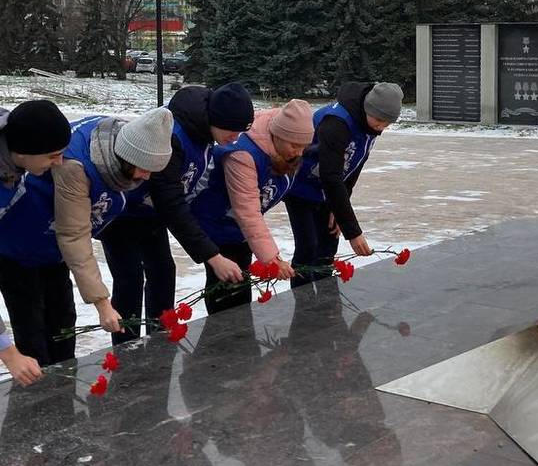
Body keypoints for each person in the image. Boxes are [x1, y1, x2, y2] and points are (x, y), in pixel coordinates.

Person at [0, 107, 174, 365]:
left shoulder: (115, 149)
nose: (57, 163)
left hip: (51, 252)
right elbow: (74, 234)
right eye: (143, 170)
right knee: (32, 334)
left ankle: (61, 390)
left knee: (61, 325)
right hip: (16, 251)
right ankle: (37, 399)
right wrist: (9, 354)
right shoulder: (73, 166)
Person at [101, 83, 254, 345]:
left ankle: (158, 340)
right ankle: (126, 351)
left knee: (163, 271)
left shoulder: (206, 133)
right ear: (216, 119)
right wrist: (213, 256)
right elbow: (171, 202)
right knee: (130, 278)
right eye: (233, 130)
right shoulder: (173, 137)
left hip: (150, 216)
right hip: (123, 213)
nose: (236, 137)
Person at [190, 99, 313, 313]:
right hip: (216, 220)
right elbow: (247, 211)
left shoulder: (286, 140)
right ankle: (222, 341)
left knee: (241, 285)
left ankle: (241, 338)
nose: (300, 153)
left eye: (304, 146)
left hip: (239, 228)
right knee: (227, 287)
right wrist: (272, 259)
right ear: (279, 135)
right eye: (295, 146)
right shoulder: (243, 155)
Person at [285, 82, 403, 289]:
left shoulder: (369, 126)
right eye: (379, 120)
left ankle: (327, 304)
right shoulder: (336, 123)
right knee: (308, 246)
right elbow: (330, 175)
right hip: (301, 186)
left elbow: (354, 166)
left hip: (329, 189)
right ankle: (303, 308)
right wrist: (353, 231)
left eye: (387, 123)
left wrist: (339, 209)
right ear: (368, 109)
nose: (381, 127)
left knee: (328, 245)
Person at [0, 100, 71, 385]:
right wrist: (8, 353)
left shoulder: (13, 162)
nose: (59, 163)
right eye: (52, 155)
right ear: (23, 151)